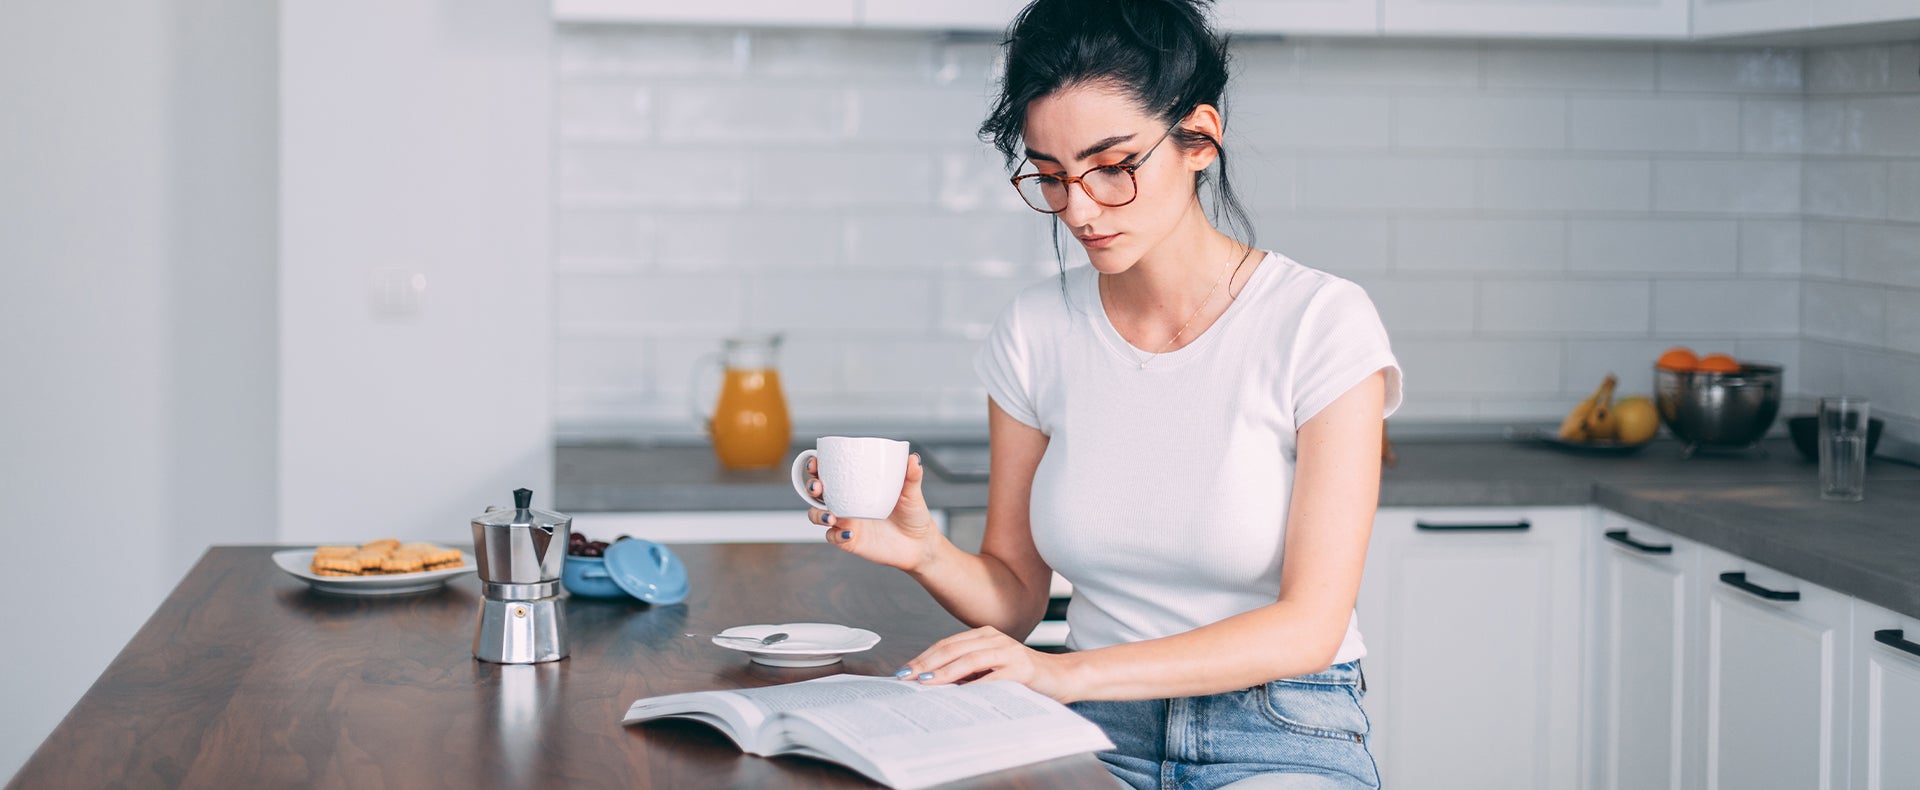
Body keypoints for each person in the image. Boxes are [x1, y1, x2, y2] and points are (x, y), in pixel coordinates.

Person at [800, 1, 1402, 786]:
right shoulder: (1036, 331)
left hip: (1278, 726)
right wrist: (924, 552)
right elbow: (1016, 599)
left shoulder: (1320, 322)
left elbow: (1308, 627)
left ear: (1199, 138)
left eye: (1112, 165)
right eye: (1051, 177)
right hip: (1090, 730)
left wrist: (1061, 675)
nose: (1078, 209)